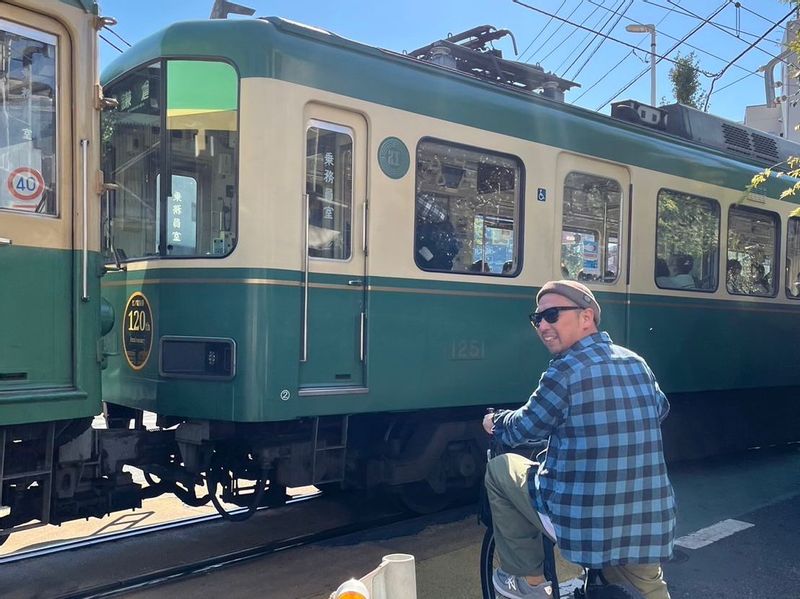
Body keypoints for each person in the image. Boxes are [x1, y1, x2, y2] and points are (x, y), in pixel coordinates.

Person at [482, 280, 675, 599]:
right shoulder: (636, 363)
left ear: (587, 318)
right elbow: (660, 409)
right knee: (650, 586)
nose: (542, 324)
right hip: (648, 518)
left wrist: (496, 420)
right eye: (537, 318)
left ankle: (528, 582)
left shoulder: (565, 370)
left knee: (501, 470)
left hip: (584, 521)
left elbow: (524, 429)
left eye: (552, 314)